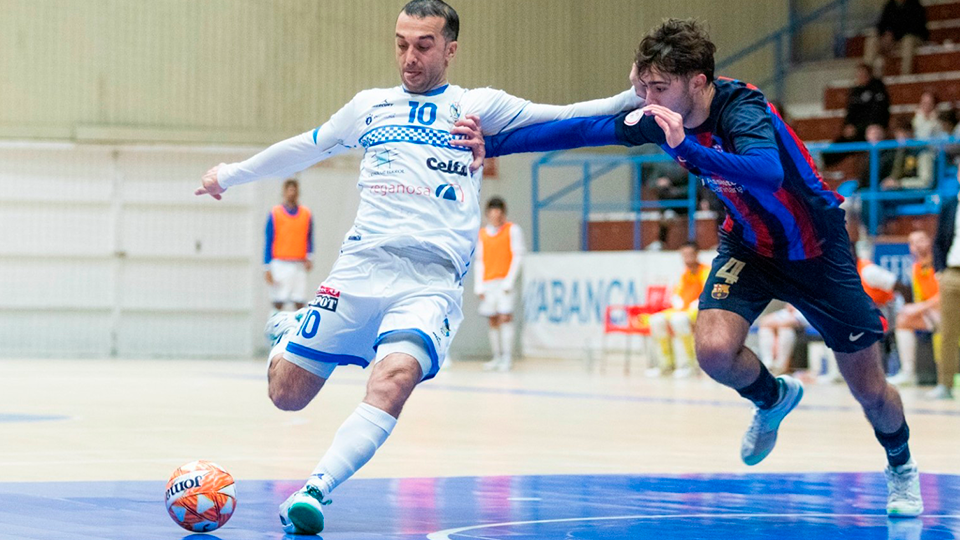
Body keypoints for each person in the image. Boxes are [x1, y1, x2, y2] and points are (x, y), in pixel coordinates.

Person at [194, 0, 642, 534]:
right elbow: (304, 147)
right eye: (402, 43)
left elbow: (568, 116)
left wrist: (635, 96)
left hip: (428, 282)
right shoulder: (370, 106)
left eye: (423, 45)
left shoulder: (477, 106)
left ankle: (314, 491)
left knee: (395, 378)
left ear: (450, 49)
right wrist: (231, 173)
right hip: (360, 268)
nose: (409, 57)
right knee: (286, 394)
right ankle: (289, 332)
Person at [456, 18, 923, 517]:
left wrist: (686, 149)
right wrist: (495, 146)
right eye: (645, 85)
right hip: (750, 246)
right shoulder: (661, 116)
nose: (647, 96)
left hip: (817, 250)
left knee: (870, 390)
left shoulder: (742, 109)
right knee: (714, 350)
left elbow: (766, 172)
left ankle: (901, 464)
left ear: (698, 82)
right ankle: (772, 397)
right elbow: (581, 130)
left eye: (660, 87)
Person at [474, 196, 524, 372]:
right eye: (492, 211)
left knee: (505, 316)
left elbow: (518, 256)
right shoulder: (482, 234)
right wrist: (478, 284)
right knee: (493, 319)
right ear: (487, 214)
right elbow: (479, 260)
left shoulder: (512, 230)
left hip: (504, 281)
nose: (495, 215)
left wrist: (510, 281)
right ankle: (496, 356)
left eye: (499, 211)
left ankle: (507, 357)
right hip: (489, 282)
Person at [647, 241, 709, 378]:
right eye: (684, 255)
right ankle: (666, 364)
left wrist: (697, 303)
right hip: (682, 309)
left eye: (689, 254)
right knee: (656, 320)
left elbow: (708, 292)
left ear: (697, 254)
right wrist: (675, 299)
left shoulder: (705, 271)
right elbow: (676, 293)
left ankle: (690, 364)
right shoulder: (684, 274)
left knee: (679, 321)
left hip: (698, 309)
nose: (686, 258)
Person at [891, 231, 941, 387]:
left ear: (930, 242)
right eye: (912, 242)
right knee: (903, 320)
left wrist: (919, 307)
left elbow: (945, 296)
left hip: (950, 311)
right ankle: (908, 372)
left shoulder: (940, 263)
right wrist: (914, 308)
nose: (917, 245)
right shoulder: (915, 269)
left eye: (921, 240)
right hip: (934, 314)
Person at [264, 179, 314, 311]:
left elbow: (309, 237)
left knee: (299, 301)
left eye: (294, 190)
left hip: (299, 264)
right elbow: (268, 240)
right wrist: (267, 267)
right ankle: (274, 330)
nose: (292, 193)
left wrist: (310, 256)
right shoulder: (275, 213)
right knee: (279, 301)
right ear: (284, 192)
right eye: (289, 190)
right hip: (280, 263)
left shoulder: (306, 213)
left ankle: (297, 330)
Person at [932, 172, 960, 399]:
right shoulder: (950, 205)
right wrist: (940, 270)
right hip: (951, 274)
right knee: (948, 331)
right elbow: (939, 241)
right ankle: (945, 384)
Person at [864, 0, 928, 76]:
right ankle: (866, 73)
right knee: (871, 41)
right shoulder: (890, 6)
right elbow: (881, 25)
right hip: (893, 41)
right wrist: (885, 35)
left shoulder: (915, 6)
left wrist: (893, 35)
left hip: (912, 39)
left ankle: (905, 75)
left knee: (908, 41)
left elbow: (915, 28)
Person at [845, 63, 890, 139]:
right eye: (859, 74)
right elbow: (851, 110)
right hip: (857, 127)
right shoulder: (855, 92)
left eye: (863, 73)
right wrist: (849, 124)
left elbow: (880, 109)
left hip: (874, 124)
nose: (861, 76)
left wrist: (872, 123)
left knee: (872, 133)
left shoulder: (877, 88)